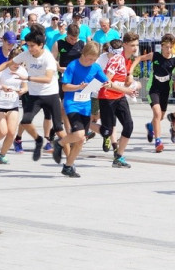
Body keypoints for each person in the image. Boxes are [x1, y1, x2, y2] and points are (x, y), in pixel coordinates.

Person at [14, 29, 68, 161]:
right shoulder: (27, 54)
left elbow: (48, 79)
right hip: (35, 96)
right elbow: (8, 63)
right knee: (26, 120)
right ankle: (38, 140)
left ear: (41, 45)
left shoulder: (48, 57)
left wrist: (28, 78)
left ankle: (69, 161)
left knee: (58, 128)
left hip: (51, 95)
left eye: (32, 46)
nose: (29, 48)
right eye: (28, 45)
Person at [58, 42, 110, 177]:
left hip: (85, 106)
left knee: (81, 140)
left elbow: (106, 81)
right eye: (89, 59)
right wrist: (78, 87)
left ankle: (68, 166)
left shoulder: (95, 67)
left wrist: (108, 83)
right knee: (79, 134)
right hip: (72, 104)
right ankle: (59, 143)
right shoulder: (73, 66)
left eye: (94, 59)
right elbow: (64, 87)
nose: (91, 62)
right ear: (83, 54)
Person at [97, 34, 141, 167]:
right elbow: (106, 82)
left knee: (129, 125)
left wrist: (131, 87)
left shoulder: (127, 60)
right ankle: (86, 123)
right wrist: (127, 90)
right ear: (125, 45)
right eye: (132, 45)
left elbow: (121, 81)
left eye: (137, 45)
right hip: (107, 97)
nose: (135, 48)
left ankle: (119, 157)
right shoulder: (117, 59)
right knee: (107, 131)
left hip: (119, 96)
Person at [0, 48, 28, 164]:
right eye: (15, 63)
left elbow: (25, 87)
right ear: (10, 60)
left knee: (11, 132)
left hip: (13, 104)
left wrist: (22, 90)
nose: (17, 66)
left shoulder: (22, 71)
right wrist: (1, 87)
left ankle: (2, 155)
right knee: (3, 131)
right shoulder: (1, 70)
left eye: (19, 63)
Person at [137, 33, 175, 152]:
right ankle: (158, 141)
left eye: (170, 47)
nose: (168, 50)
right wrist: (130, 72)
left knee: (161, 116)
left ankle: (150, 126)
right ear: (161, 46)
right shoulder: (155, 55)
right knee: (157, 113)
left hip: (165, 91)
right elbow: (139, 58)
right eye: (166, 47)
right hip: (153, 89)